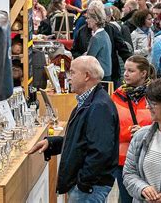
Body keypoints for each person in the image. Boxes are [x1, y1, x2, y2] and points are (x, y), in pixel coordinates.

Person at [27, 56, 119, 202]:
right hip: (87, 187)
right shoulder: (90, 101)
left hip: (89, 189)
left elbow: (100, 151)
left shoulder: (99, 106)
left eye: (73, 73)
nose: (69, 78)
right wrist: (52, 143)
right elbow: (82, 140)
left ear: (87, 76)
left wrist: (82, 183)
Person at [111, 56, 156, 203]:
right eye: (125, 70)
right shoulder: (116, 96)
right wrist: (131, 133)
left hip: (150, 158)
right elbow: (111, 127)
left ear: (143, 73)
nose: (125, 74)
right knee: (126, 198)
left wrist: (145, 131)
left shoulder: (156, 96)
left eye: (131, 70)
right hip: (123, 160)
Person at [86, 0, 112, 81]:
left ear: (96, 20)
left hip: (100, 77)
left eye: (88, 18)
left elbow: (89, 59)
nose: (86, 20)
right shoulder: (105, 34)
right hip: (106, 75)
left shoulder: (96, 38)